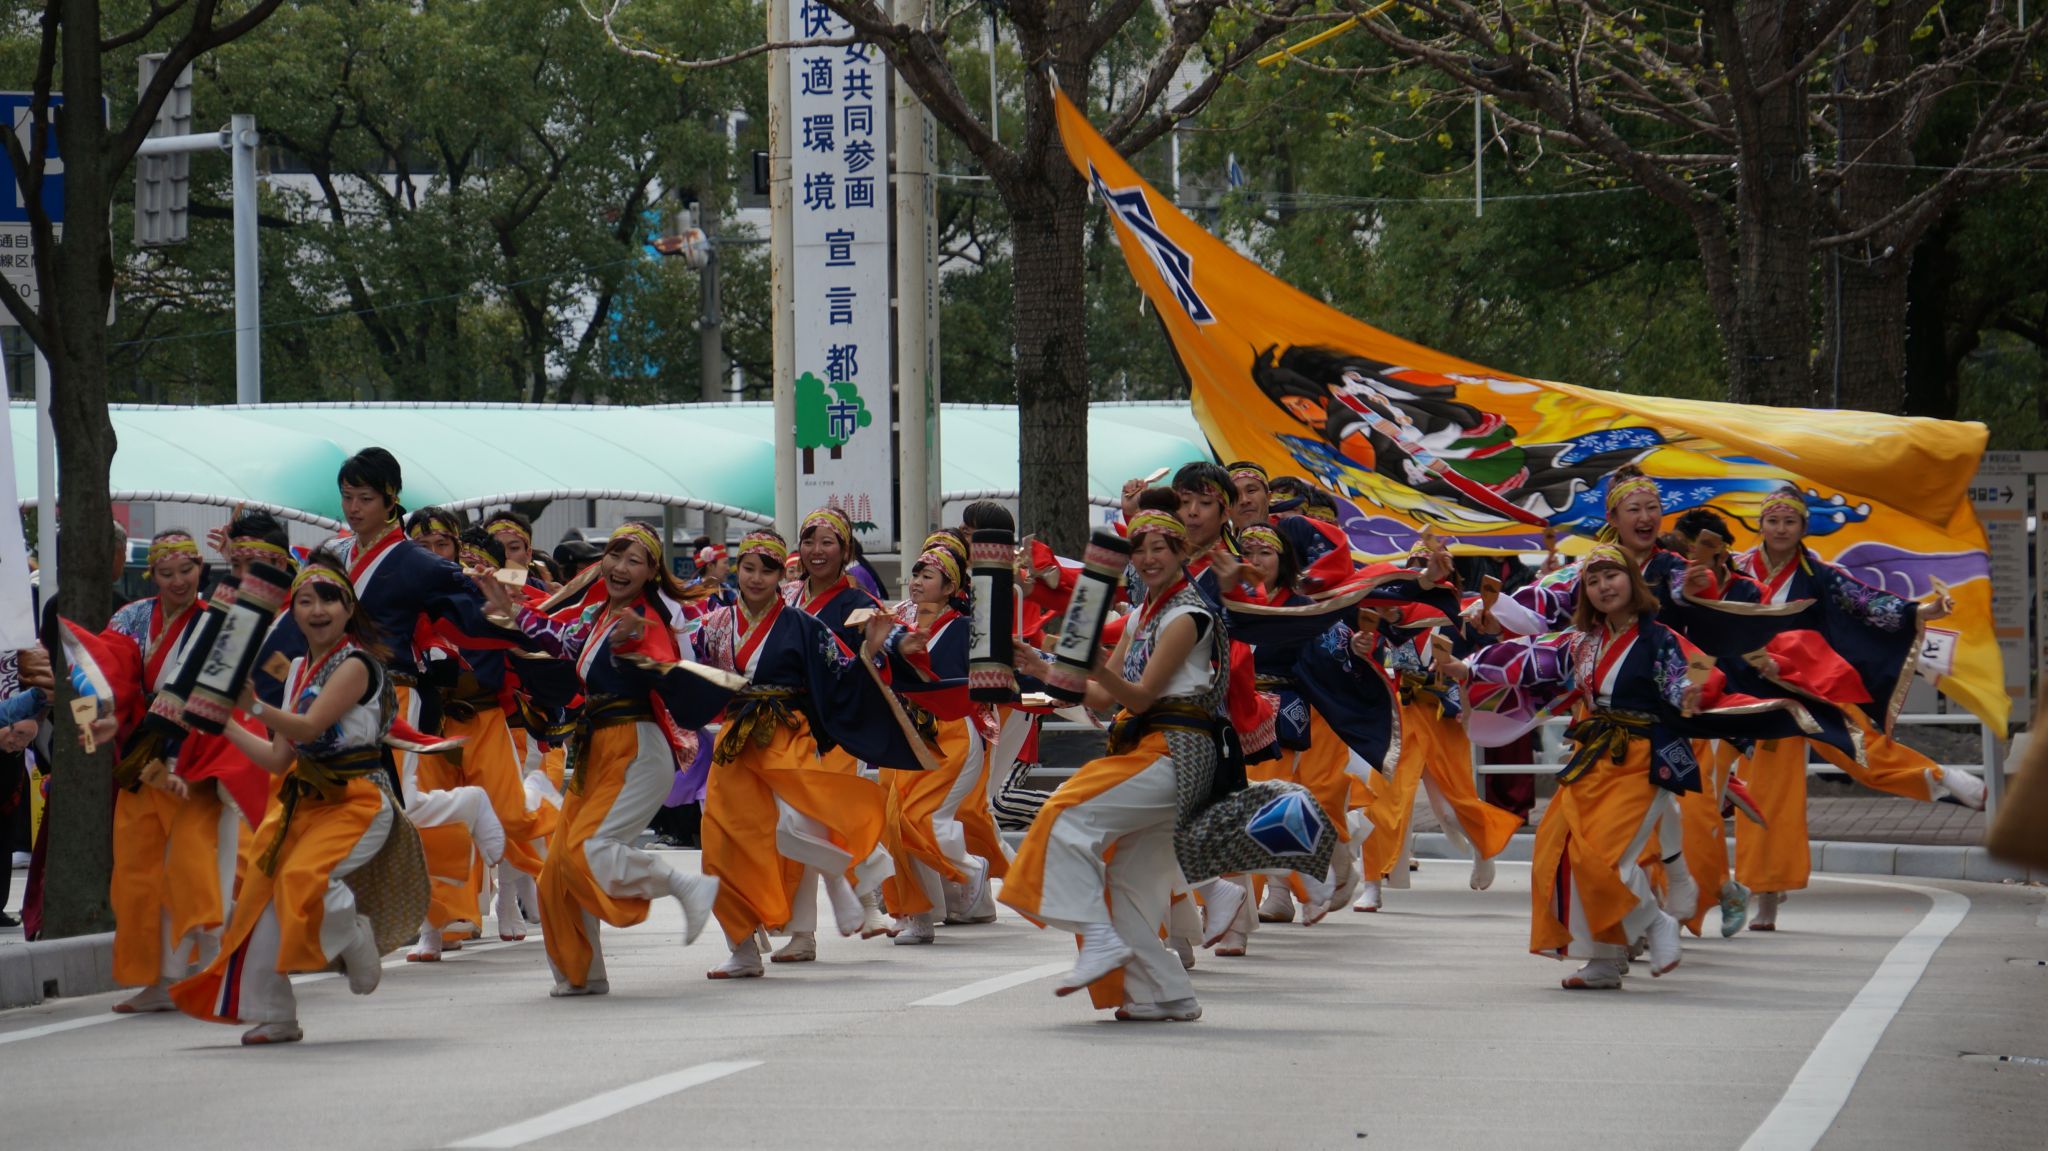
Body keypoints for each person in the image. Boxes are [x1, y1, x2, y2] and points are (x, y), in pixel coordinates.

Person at [1457, 544, 1852, 990]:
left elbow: (1693, 668)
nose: (1605, 586)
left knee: (1604, 859)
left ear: (1633, 581)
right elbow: (1529, 657)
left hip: (1643, 758)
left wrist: (1690, 691)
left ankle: (1656, 920)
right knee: (1557, 851)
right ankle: (1604, 960)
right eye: (1593, 580)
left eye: (1613, 576)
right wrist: (1466, 666)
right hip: (1593, 756)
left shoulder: (1660, 635)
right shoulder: (1581, 640)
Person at [170, 558, 427, 1045]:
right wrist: (222, 721)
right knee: (258, 899)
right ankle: (275, 1012)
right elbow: (276, 757)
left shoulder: (356, 664)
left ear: (349, 608)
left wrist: (251, 705)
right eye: (305, 601)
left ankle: (353, 935)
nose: (316, 610)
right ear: (293, 612)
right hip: (304, 801)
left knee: (301, 877)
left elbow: (309, 728)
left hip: (358, 799)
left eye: (328, 598)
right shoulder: (297, 674)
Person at [1703, 485, 1982, 930]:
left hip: (1794, 690)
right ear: (1759, 524)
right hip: (1733, 686)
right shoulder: (1733, 569)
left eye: (1789, 521)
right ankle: (1708, 889)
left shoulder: (1818, 575)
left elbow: (1866, 601)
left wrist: (1918, 612)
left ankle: (1767, 895)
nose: (1779, 528)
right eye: (1772, 520)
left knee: (1816, 772)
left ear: (1802, 527)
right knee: (1702, 785)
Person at [477, 523, 729, 997]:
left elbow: (658, 653)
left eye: (634, 561)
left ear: (652, 571)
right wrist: (511, 610)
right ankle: (582, 972)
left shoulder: (645, 618)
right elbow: (561, 639)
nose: (620, 567)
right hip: (600, 749)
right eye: (615, 555)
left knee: (589, 852)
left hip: (637, 749)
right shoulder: (598, 613)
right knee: (556, 873)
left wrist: (632, 643)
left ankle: (684, 886)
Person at [1003, 496, 1216, 1022]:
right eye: (1139, 549)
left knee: (1064, 814)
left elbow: (1139, 698)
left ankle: (1099, 938)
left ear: (1181, 551)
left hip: (1176, 752)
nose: (1148, 558)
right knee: (1116, 881)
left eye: (1160, 548)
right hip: (1150, 751)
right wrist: (1045, 665)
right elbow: (1100, 697)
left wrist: (1097, 663)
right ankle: (1169, 991)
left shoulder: (1188, 613)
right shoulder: (1147, 611)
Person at [691, 529, 932, 979]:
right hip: (736, 741)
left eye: (767, 570)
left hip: (786, 730)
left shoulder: (803, 625)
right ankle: (742, 947)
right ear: (737, 570)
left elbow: (843, 671)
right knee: (720, 844)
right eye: (748, 568)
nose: (757, 578)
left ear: (783, 575)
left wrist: (876, 649)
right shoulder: (716, 623)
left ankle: (848, 885)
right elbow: (691, 668)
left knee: (800, 821)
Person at [774, 507, 893, 945]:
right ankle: (806, 929)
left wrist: (888, 646)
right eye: (809, 541)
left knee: (823, 817)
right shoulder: (784, 596)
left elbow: (882, 650)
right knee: (799, 826)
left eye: (828, 542)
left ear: (845, 551)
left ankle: (859, 903)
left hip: (837, 726)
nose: (816, 551)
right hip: (787, 725)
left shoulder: (858, 603)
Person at [873, 547, 988, 945]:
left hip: (952, 731)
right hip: (909, 731)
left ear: (951, 587)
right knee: (893, 823)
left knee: (917, 819)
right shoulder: (897, 623)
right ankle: (917, 917)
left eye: (928, 576)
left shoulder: (967, 627)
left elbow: (995, 669)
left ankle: (970, 867)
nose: (917, 581)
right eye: (916, 573)